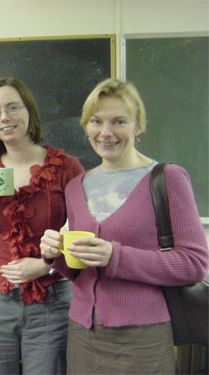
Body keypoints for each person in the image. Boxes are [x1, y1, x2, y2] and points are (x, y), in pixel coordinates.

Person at [40, 78, 209, 374]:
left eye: (119, 121)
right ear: (86, 126)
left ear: (137, 126)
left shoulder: (168, 178)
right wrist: (56, 255)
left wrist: (115, 257)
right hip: (83, 333)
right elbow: (80, 271)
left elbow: (194, 264)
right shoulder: (77, 186)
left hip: (142, 337)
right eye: (96, 121)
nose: (106, 132)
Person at [0, 77, 84, 374]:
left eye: (13, 107)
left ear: (29, 111)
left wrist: (46, 265)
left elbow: (84, 234)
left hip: (51, 300)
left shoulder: (67, 168)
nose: (5, 117)